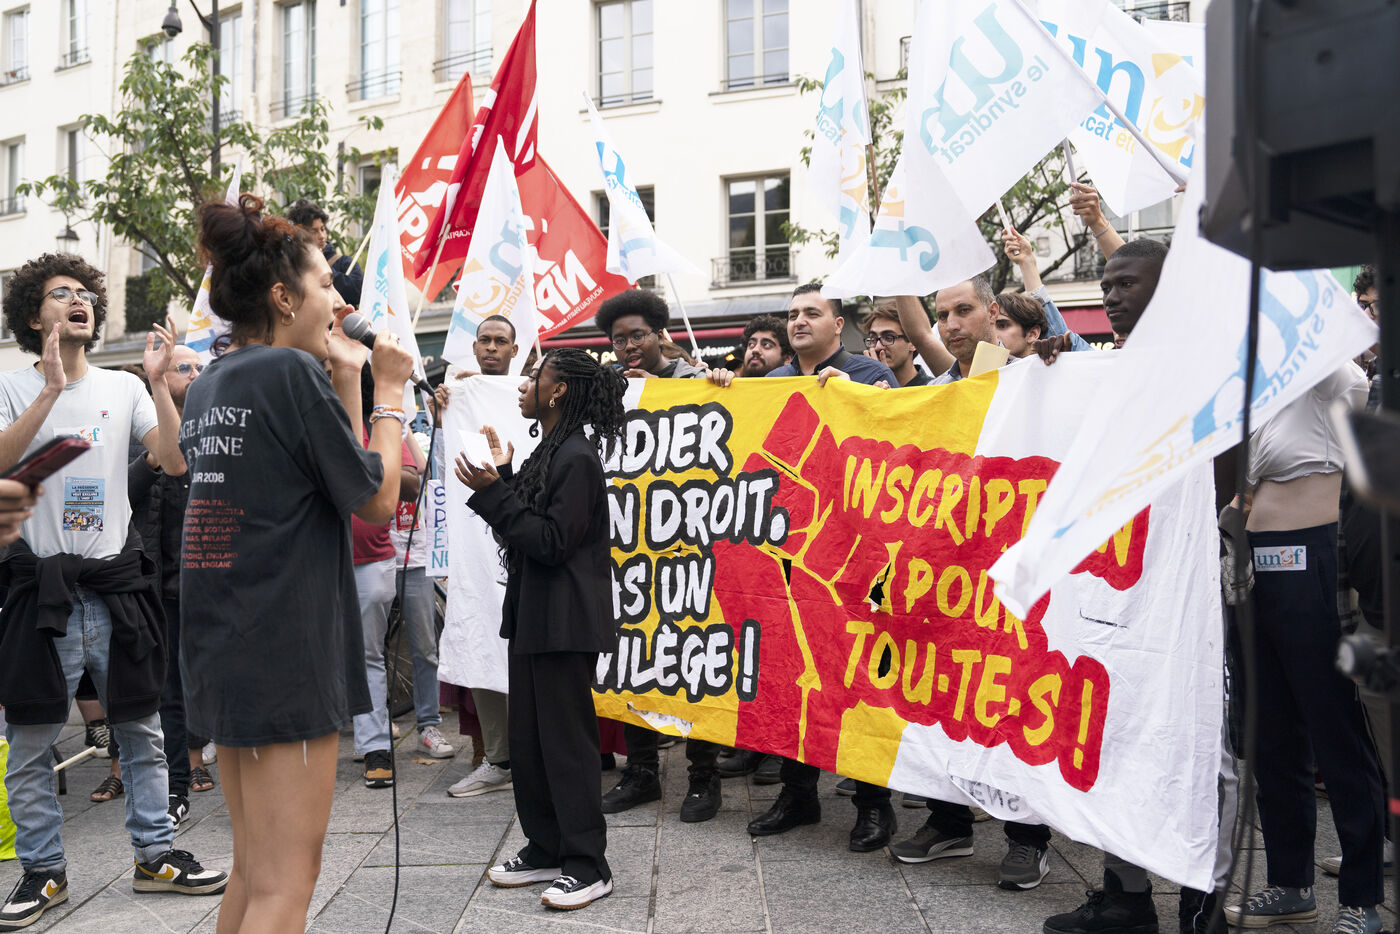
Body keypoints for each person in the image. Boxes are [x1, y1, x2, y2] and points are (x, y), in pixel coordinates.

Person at [177, 194, 414, 933]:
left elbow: (334, 480)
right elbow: (377, 500)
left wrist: (347, 380)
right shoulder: (286, 373)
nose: (339, 301)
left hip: (227, 640)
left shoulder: (215, 380)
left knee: (254, 869)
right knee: (287, 884)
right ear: (283, 298)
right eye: (325, 285)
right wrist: (390, 392)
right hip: (284, 643)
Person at [0, 252, 226, 930]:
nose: (78, 299)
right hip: (41, 591)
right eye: (59, 293)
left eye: (84, 292)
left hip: (116, 590)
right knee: (31, 742)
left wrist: (157, 383)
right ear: (32, 315)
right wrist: (48, 390)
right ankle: (43, 870)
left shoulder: (122, 387)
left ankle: (155, 856)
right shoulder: (12, 386)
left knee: (142, 733)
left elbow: (173, 460)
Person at [716, 284, 901, 852]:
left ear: (838, 324)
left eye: (811, 313)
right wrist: (722, 388)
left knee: (850, 676)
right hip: (783, 556)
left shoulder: (869, 374)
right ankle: (798, 795)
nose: (799, 321)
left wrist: (858, 401)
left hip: (848, 558)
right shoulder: (772, 382)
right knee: (788, 674)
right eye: (793, 313)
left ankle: (873, 805)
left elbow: (899, 446)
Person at [456, 347, 626, 911]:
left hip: (564, 622)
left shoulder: (576, 457)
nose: (524, 385)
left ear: (559, 391)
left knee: (565, 747)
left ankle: (588, 865)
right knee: (530, 743)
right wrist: (506, 476)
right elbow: (528, 525)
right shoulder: (550, 450)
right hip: (534, 617)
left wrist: (492, 492)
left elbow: (552, 542)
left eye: (535, 376)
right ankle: (546, 848)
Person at [1220, 367, 1384, 931]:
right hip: (1253, 566)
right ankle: (1290, 883)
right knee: (1272, 735)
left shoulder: (1326, 374)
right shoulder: (1258, 385)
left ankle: (1361, 898)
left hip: (1314, 557)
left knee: (1337, 731)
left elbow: (1346, 369)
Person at [596, 290, 724, 823]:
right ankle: (642, 772)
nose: (628, 346)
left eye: (637, 335)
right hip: (630, 548)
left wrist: (722, 384)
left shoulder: (696, 381)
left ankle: (703, 776)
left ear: (660, 335)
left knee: (694, 658)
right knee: (632, 656)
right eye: (618, 339)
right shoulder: (608, 389)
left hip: (689, 546)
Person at [128, 335, 212, 829]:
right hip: (153, 588)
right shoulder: (139, 431)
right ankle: (173, 785)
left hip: (205, 583)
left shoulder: (211, 431)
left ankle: (214, 773)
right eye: (185, 368)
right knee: (165, 691)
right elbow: (123, 492)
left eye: (200, 368)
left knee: (209, 683)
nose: (195, 375)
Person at [351, 364, 425, 789]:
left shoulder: (380, 426)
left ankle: (375, 747)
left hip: (369, 561)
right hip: (314, 562)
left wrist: (368, 465)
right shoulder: (309, 420)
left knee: (368, 655)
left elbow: (413, 483)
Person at [287, 197, 363, 307]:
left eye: (322, 229)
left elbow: (357, 293)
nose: (322, 236)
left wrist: (322, 267)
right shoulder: (289, 266)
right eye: (314, 231)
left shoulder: (344, 263)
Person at [863, 303, 933, 386]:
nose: (878, 347)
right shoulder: (862, 387)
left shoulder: (933, 388)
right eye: (873, 339)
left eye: (888, 338)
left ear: (913, 343)